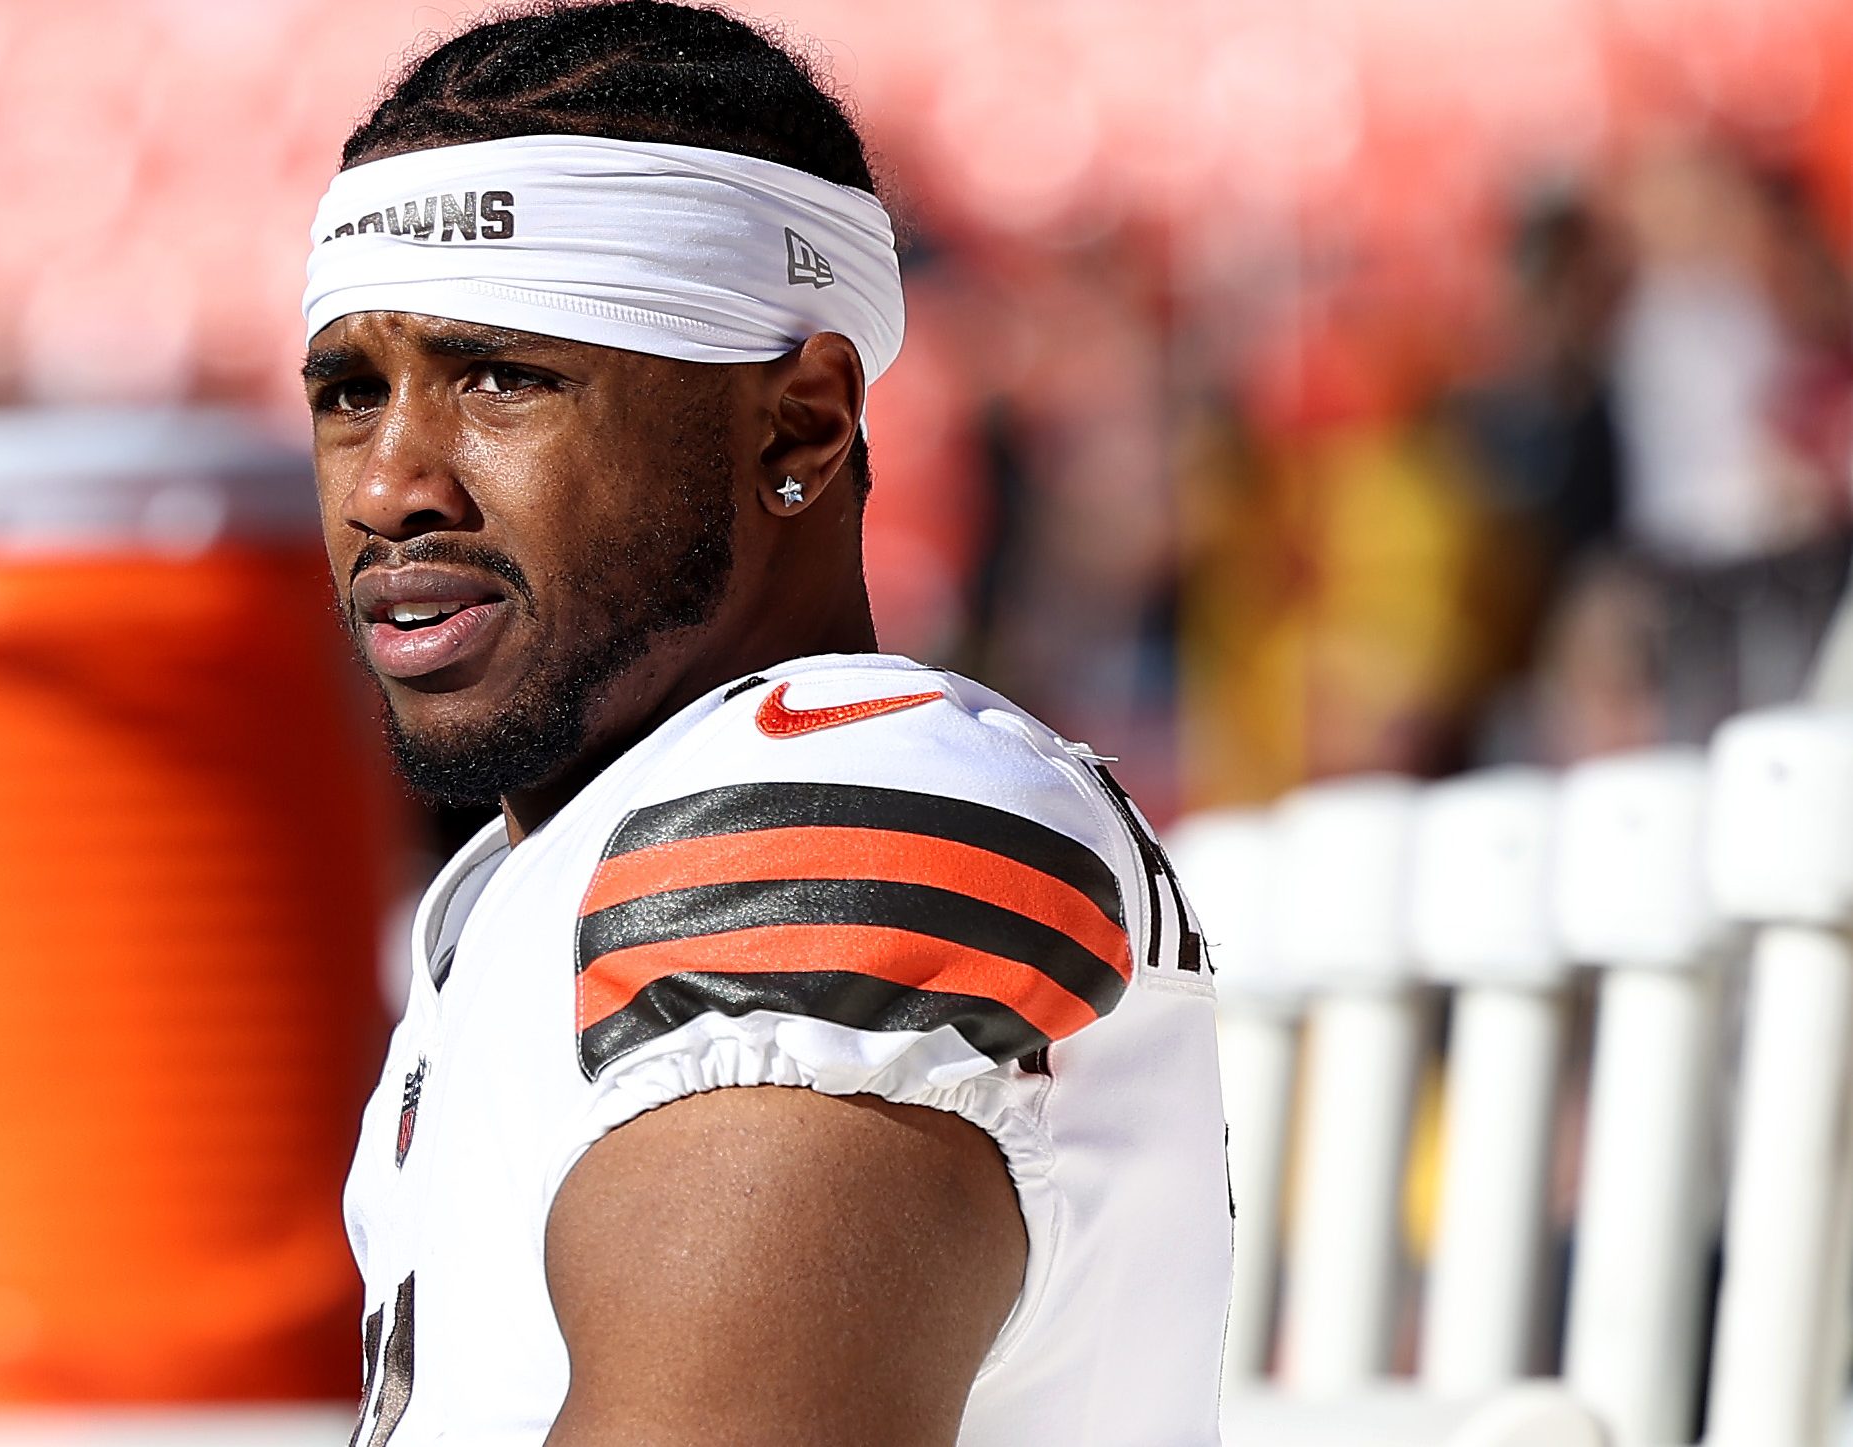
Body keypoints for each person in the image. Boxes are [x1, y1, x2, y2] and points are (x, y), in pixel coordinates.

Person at [299, 5, 1230, 1442]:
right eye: (351, 395)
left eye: (501, 378)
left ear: (797, 427)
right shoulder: (522, 874)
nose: (388, 486)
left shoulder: (832, 805)